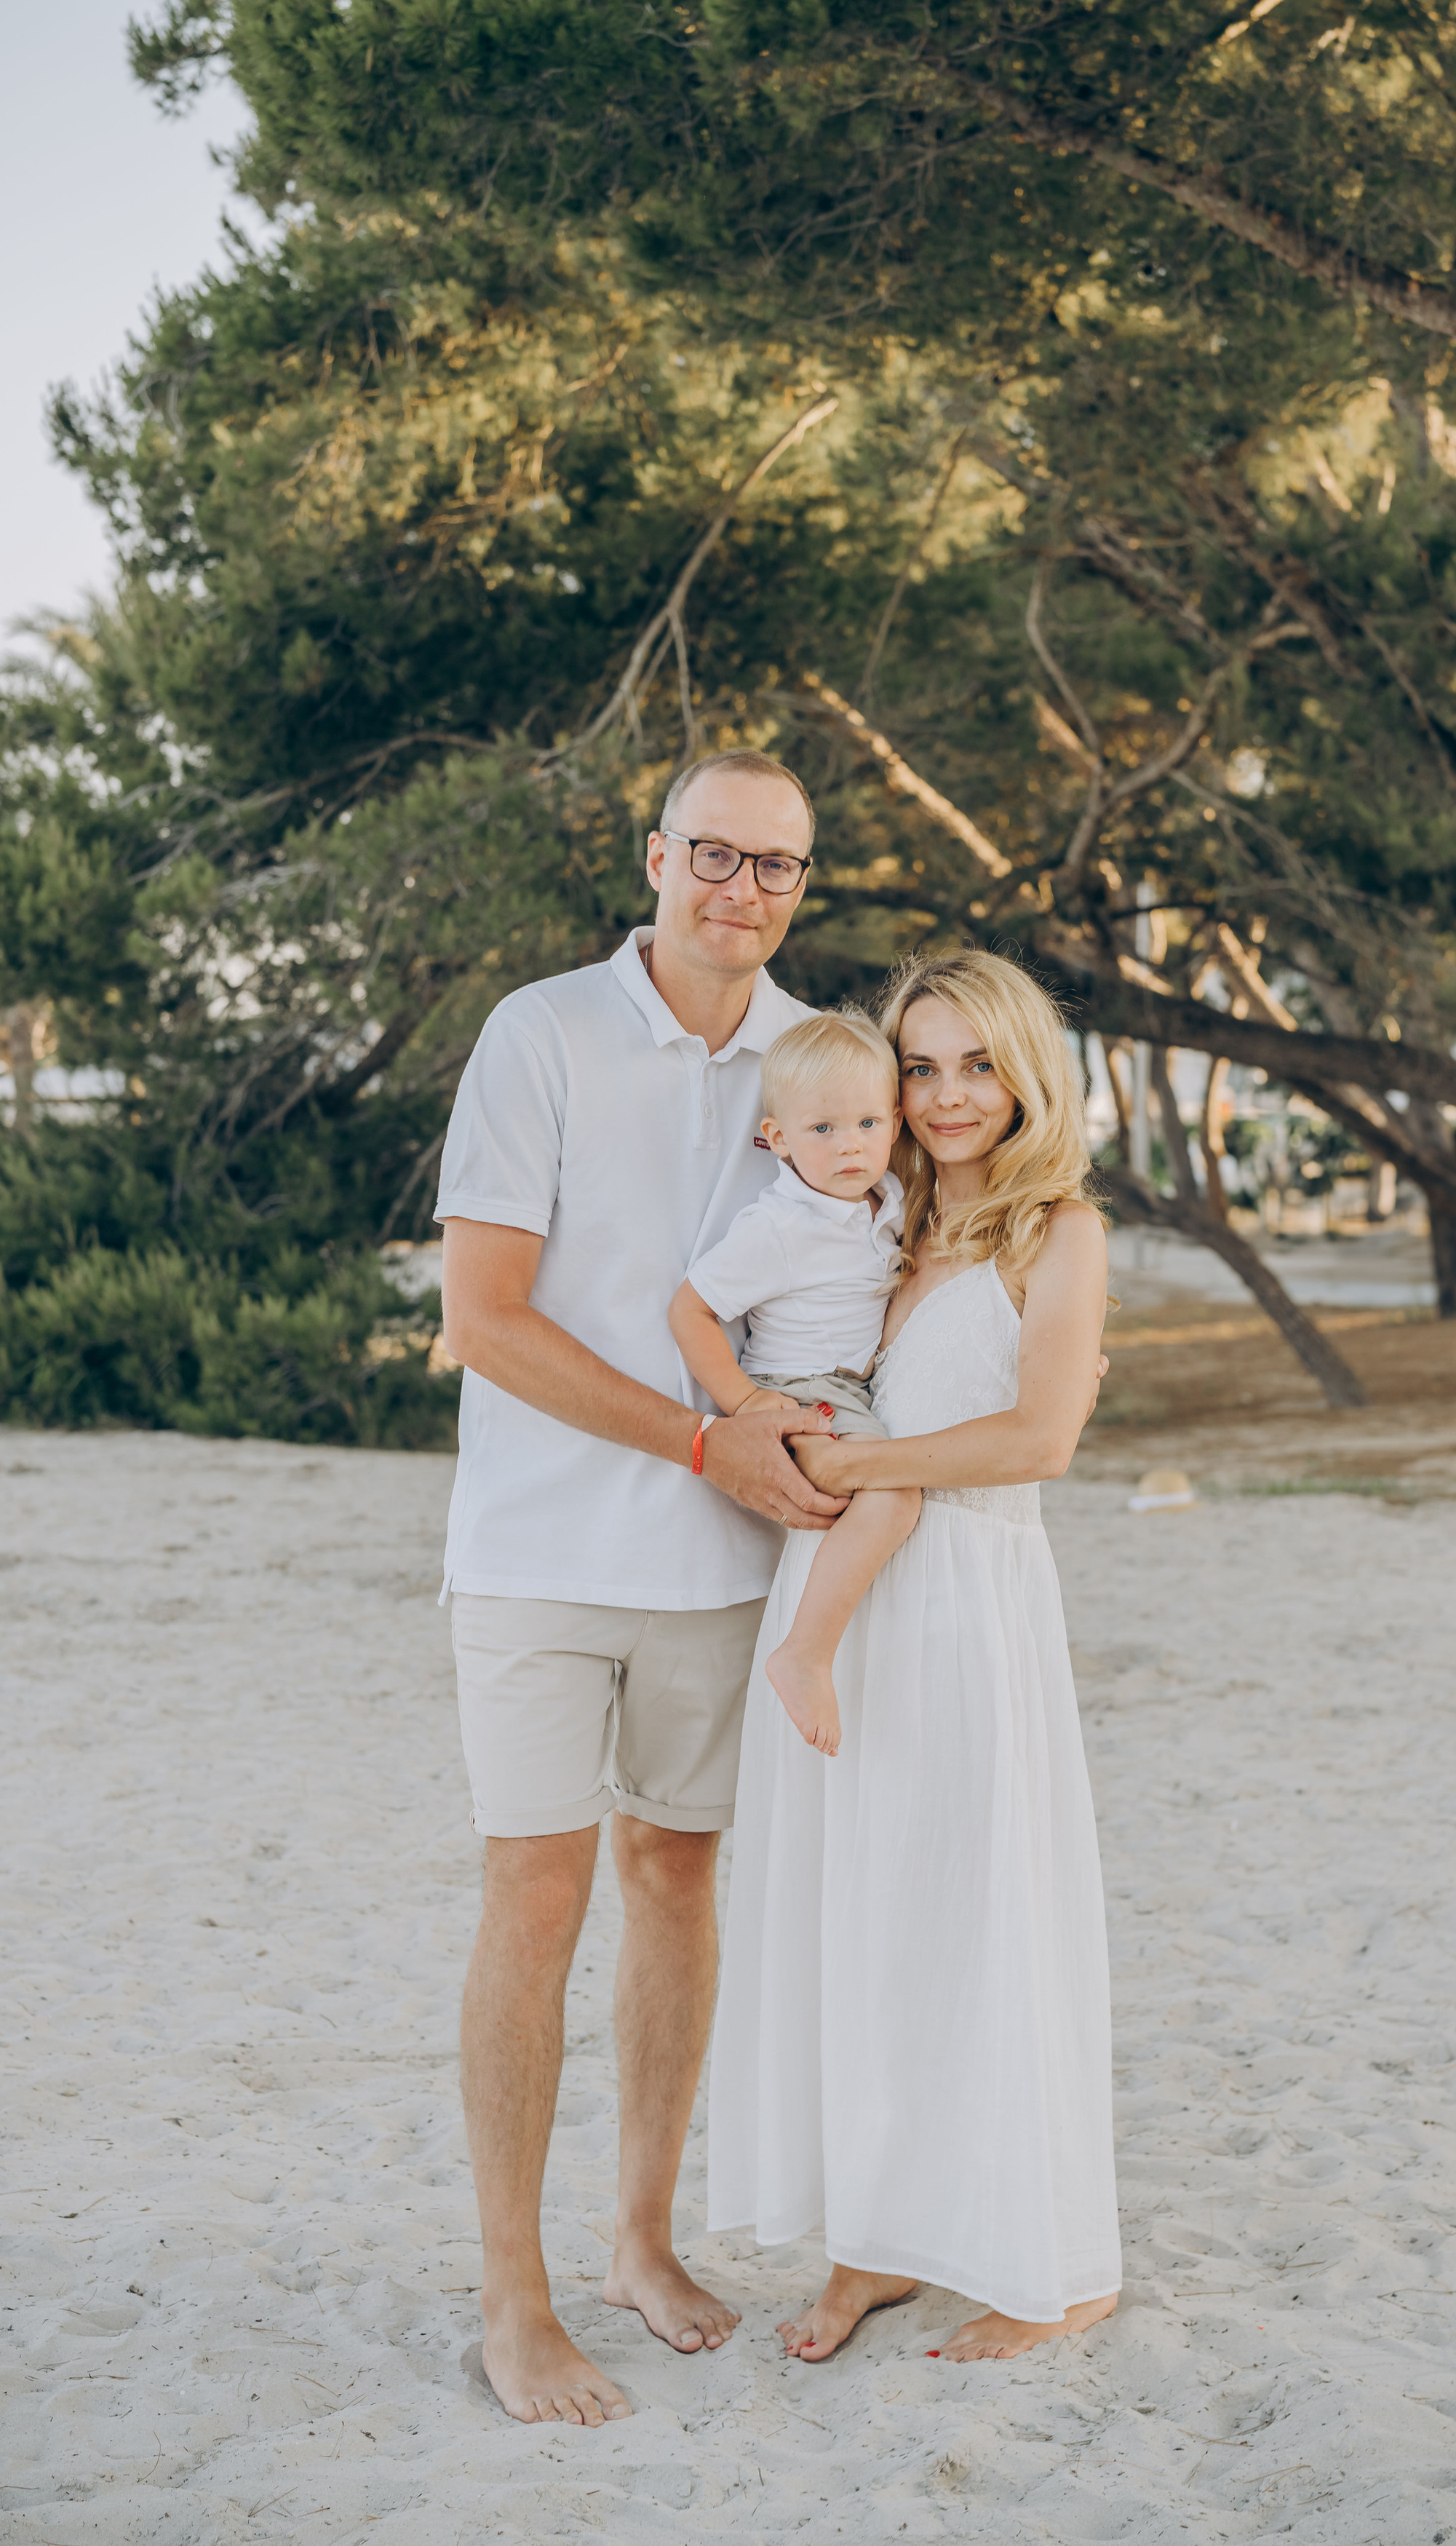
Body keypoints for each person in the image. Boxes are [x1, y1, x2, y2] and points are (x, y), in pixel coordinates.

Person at [435, 748, 844, 2429]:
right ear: (655, 853)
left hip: (724, 1564)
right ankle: (514, 2300)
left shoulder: (819, 1058)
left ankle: (639, 2241)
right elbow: (488, 1314)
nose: (741, 889)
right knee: (535, 1900)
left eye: (777, 866)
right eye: (716, 855)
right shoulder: (541, 1033)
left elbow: (844, 1279)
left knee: (675, 1879)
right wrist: (701, 1442)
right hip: (537, 1552)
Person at [708, 948, 1124, 2363]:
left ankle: (1056, 2264)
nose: (948, 1095)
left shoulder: (1052, 1229)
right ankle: (871, 2246)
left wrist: (866, 1456)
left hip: (965, 1610)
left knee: (978, 1922)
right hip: (841, 1599)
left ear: (1024, 1071)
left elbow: (1040, 1439)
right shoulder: (873, 1218)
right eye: (923, 1064)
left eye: (976, 1063)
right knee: (860, 1929)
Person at [669, 1010, 921, 1757]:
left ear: (896, 1123)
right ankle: (803, 1655)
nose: (849, 1144)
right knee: (893, 1497)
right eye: (822, 1130)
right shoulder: (778, 1226)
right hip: (801, 1390)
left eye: (867, 1123)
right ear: (777, 1139)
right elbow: (690, 1309)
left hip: (856, 1388)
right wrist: (745, 1405)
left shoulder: (888, 1200)